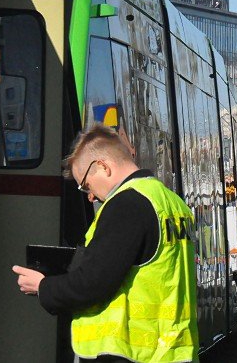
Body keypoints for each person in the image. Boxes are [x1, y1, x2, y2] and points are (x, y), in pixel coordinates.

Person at [13, 123, 198, 363]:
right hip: (173, 351)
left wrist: (43, 286)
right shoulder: (171, 202)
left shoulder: (126, 204)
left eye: (86, 185)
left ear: (102, 167)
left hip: (129, 355)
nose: (89, 196)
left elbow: (93, 282)